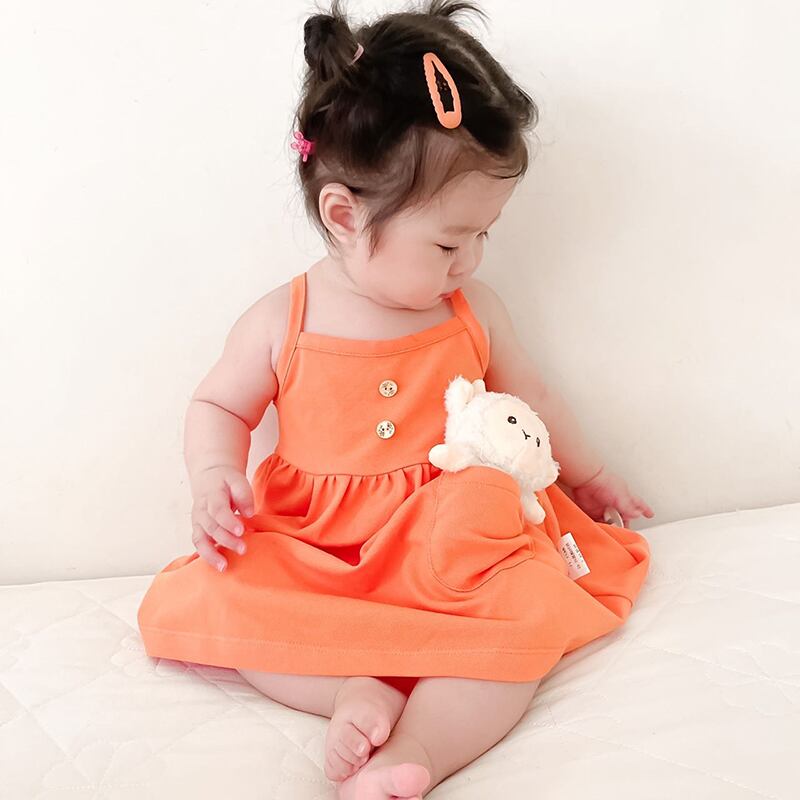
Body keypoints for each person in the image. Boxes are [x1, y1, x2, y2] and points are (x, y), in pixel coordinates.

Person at [137, 1, 654, 797]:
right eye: (448, 242)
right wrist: (214, 477)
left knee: (527, 614)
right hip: (320, 550)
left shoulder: (474, 311)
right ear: (344, 215)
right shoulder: (282, 320)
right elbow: (219, 407)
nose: (469, 260)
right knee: (228, 601)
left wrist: (587, 475)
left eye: (484, 235)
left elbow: (533, 397)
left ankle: (418, 749)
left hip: (454, 546)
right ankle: (356, 686)